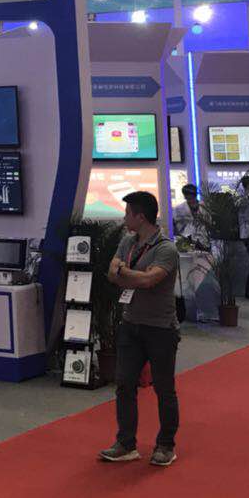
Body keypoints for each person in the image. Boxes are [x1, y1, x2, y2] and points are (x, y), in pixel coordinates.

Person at [99, 190, 181, 468]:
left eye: (127, 214)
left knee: (164, 389)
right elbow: (111, 273)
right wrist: (127, 274)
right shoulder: (127, 242)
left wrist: (124, 273)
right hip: (131, 324)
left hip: (160, 328)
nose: (124, 219)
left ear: (141, 217)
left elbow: (148, 281)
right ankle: (126, 443)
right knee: (124, 385)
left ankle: (166, 445)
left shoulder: (166, 249)